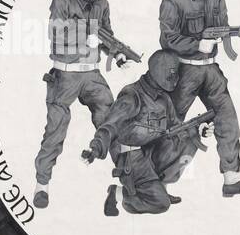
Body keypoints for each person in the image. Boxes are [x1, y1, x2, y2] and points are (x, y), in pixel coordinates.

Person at [159, 0, 240, 198]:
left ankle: (232, 179)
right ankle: (158, 184)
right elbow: (167, 38)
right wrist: (196, 45)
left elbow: (222, 26)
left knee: (228, 121)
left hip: (211, 71)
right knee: (171, 127)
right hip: (184, 71)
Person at [35, 0, 116, 209]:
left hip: (92, 74)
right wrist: (86, 36)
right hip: (65, 74)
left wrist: (117, 52)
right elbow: (55, 34)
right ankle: (42, 185)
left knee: (113, 119)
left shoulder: (102, 4)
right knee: (56, 127)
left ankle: (129, 174)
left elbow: (108, 35)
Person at [82, 50, 204, 215]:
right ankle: (118, 193)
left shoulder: (164, 98)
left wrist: (198, 129)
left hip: (152, 151)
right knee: (161, 204)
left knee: (190, 136)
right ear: (158, 71)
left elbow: (176, 126)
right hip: (132, 158)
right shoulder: (132, 96)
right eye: (171, 74)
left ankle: (160, 187)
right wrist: (95, 149)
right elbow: (110, 125)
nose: (175, 80)